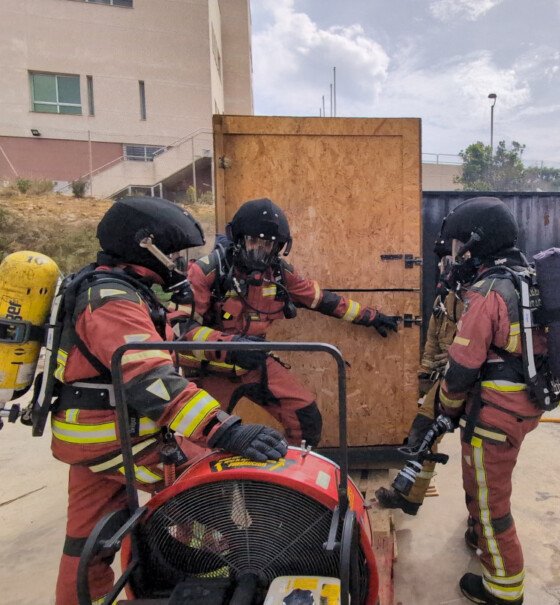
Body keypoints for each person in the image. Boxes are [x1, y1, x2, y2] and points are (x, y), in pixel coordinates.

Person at [49, 196, 287, 605]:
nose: (179, 262)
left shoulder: (116, 288)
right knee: (209, 493)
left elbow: (172, 345)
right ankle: (224, 579)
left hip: (92, 436)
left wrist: (227, 345)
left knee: (88, 542)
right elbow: (149, 377)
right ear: (146, 246)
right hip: (115, 436)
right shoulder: (114, 301)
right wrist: (222, 429)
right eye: (174, 252)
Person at [183, 197, 399, 446]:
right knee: (202, 438)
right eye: (254, 242)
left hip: (255, 364)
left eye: (269, 246)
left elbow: (321, 299)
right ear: (239, 239)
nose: (260, 252)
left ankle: (287, 479)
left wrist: (371, 317)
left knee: (306, 418)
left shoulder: (278, 273)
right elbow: (180, 333)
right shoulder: (207, 272)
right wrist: (230, 347)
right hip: (210, 372)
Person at [436, 197, 547, 605]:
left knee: (491, 501)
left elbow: (463, 365)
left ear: (474, 245)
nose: (453, 256)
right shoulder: (527, 278)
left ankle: (503, 587)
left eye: (457, 246)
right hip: (522, 405)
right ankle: (477, 533)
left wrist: (445, 407)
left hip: (495, 415)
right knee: (484, 482)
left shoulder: (487, 290)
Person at [376, 243, 462, 515]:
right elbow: (433, 343)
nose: (440, 267)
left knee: (476, 456)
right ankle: (409, 497)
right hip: (449, 379)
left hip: (477, 384)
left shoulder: (477, 297)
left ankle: (478, 520)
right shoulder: (444, 300)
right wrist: (424, 380)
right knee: (425, 430)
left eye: (445, 260)